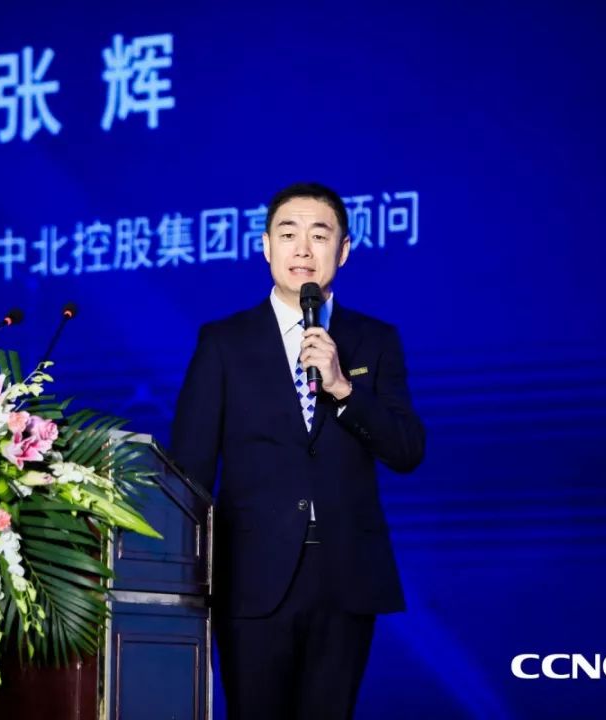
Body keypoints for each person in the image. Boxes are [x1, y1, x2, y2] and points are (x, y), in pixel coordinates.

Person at [170, 182, 426, 719]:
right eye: (288, 235)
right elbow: (189, 472)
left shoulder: (375, 340)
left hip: (346, 576)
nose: (303, 250)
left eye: (319, 235)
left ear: (344, 250)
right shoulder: (224, 342)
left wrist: (343, 388)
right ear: (266, 246)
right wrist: (183, 583)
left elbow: (406, 450)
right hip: (251, 577)